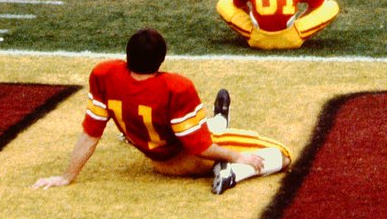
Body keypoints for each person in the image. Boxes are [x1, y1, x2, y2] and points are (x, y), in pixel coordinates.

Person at [32, 28, 291, 194]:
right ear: (161, 58)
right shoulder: (174, 87)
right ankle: (231, 173)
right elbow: (198, 146)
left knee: (204, 126)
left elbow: (90, 134)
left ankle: (220, 121)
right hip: (185, 158)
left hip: (159, 161)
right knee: (283, 154)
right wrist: (237, 157)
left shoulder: (105, 74)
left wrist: (67, 176)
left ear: (127, 55)